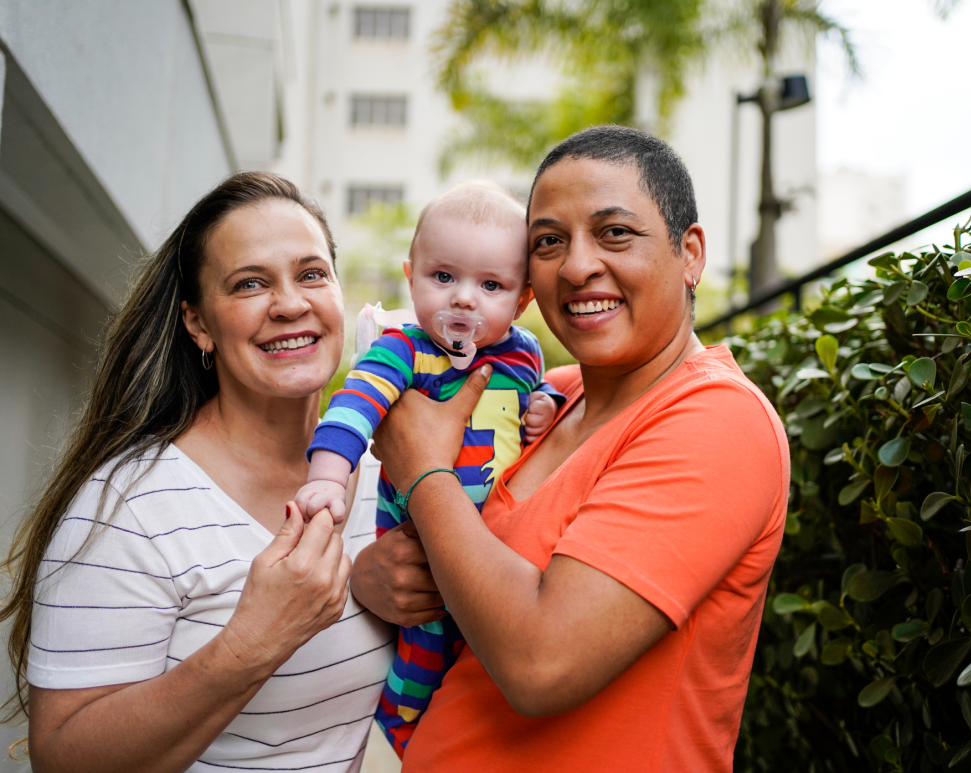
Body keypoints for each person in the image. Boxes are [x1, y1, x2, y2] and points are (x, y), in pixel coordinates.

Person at [350, 126, 790, 772]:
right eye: (550, 242)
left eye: (614, 232)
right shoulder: (536, 398)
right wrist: (372, 578)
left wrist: (423, 469)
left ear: (689, 252)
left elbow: (540, 662)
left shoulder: (719, 419)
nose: (578, 265)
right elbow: (444, 561)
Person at [3, 172, 394, 772]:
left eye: (311, 273)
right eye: (249, 283)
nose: (290, 303)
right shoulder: (133, 505)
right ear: (198, 323)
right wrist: (254, 641)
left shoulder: (384, 473)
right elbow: (63, 760)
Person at [296, 180, 563, 755]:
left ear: (521, 302)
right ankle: (401, 743)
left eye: (490, 285)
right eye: (443, 278)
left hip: (497, 552)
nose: (464, 299)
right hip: (420, 545)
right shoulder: (403, 351)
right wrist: (326, 477)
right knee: (421, 656)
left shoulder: (523, 356)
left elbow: (532, 407)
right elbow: (353, 407)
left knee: (485, 665)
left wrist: (543, 407)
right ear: (410, 275)